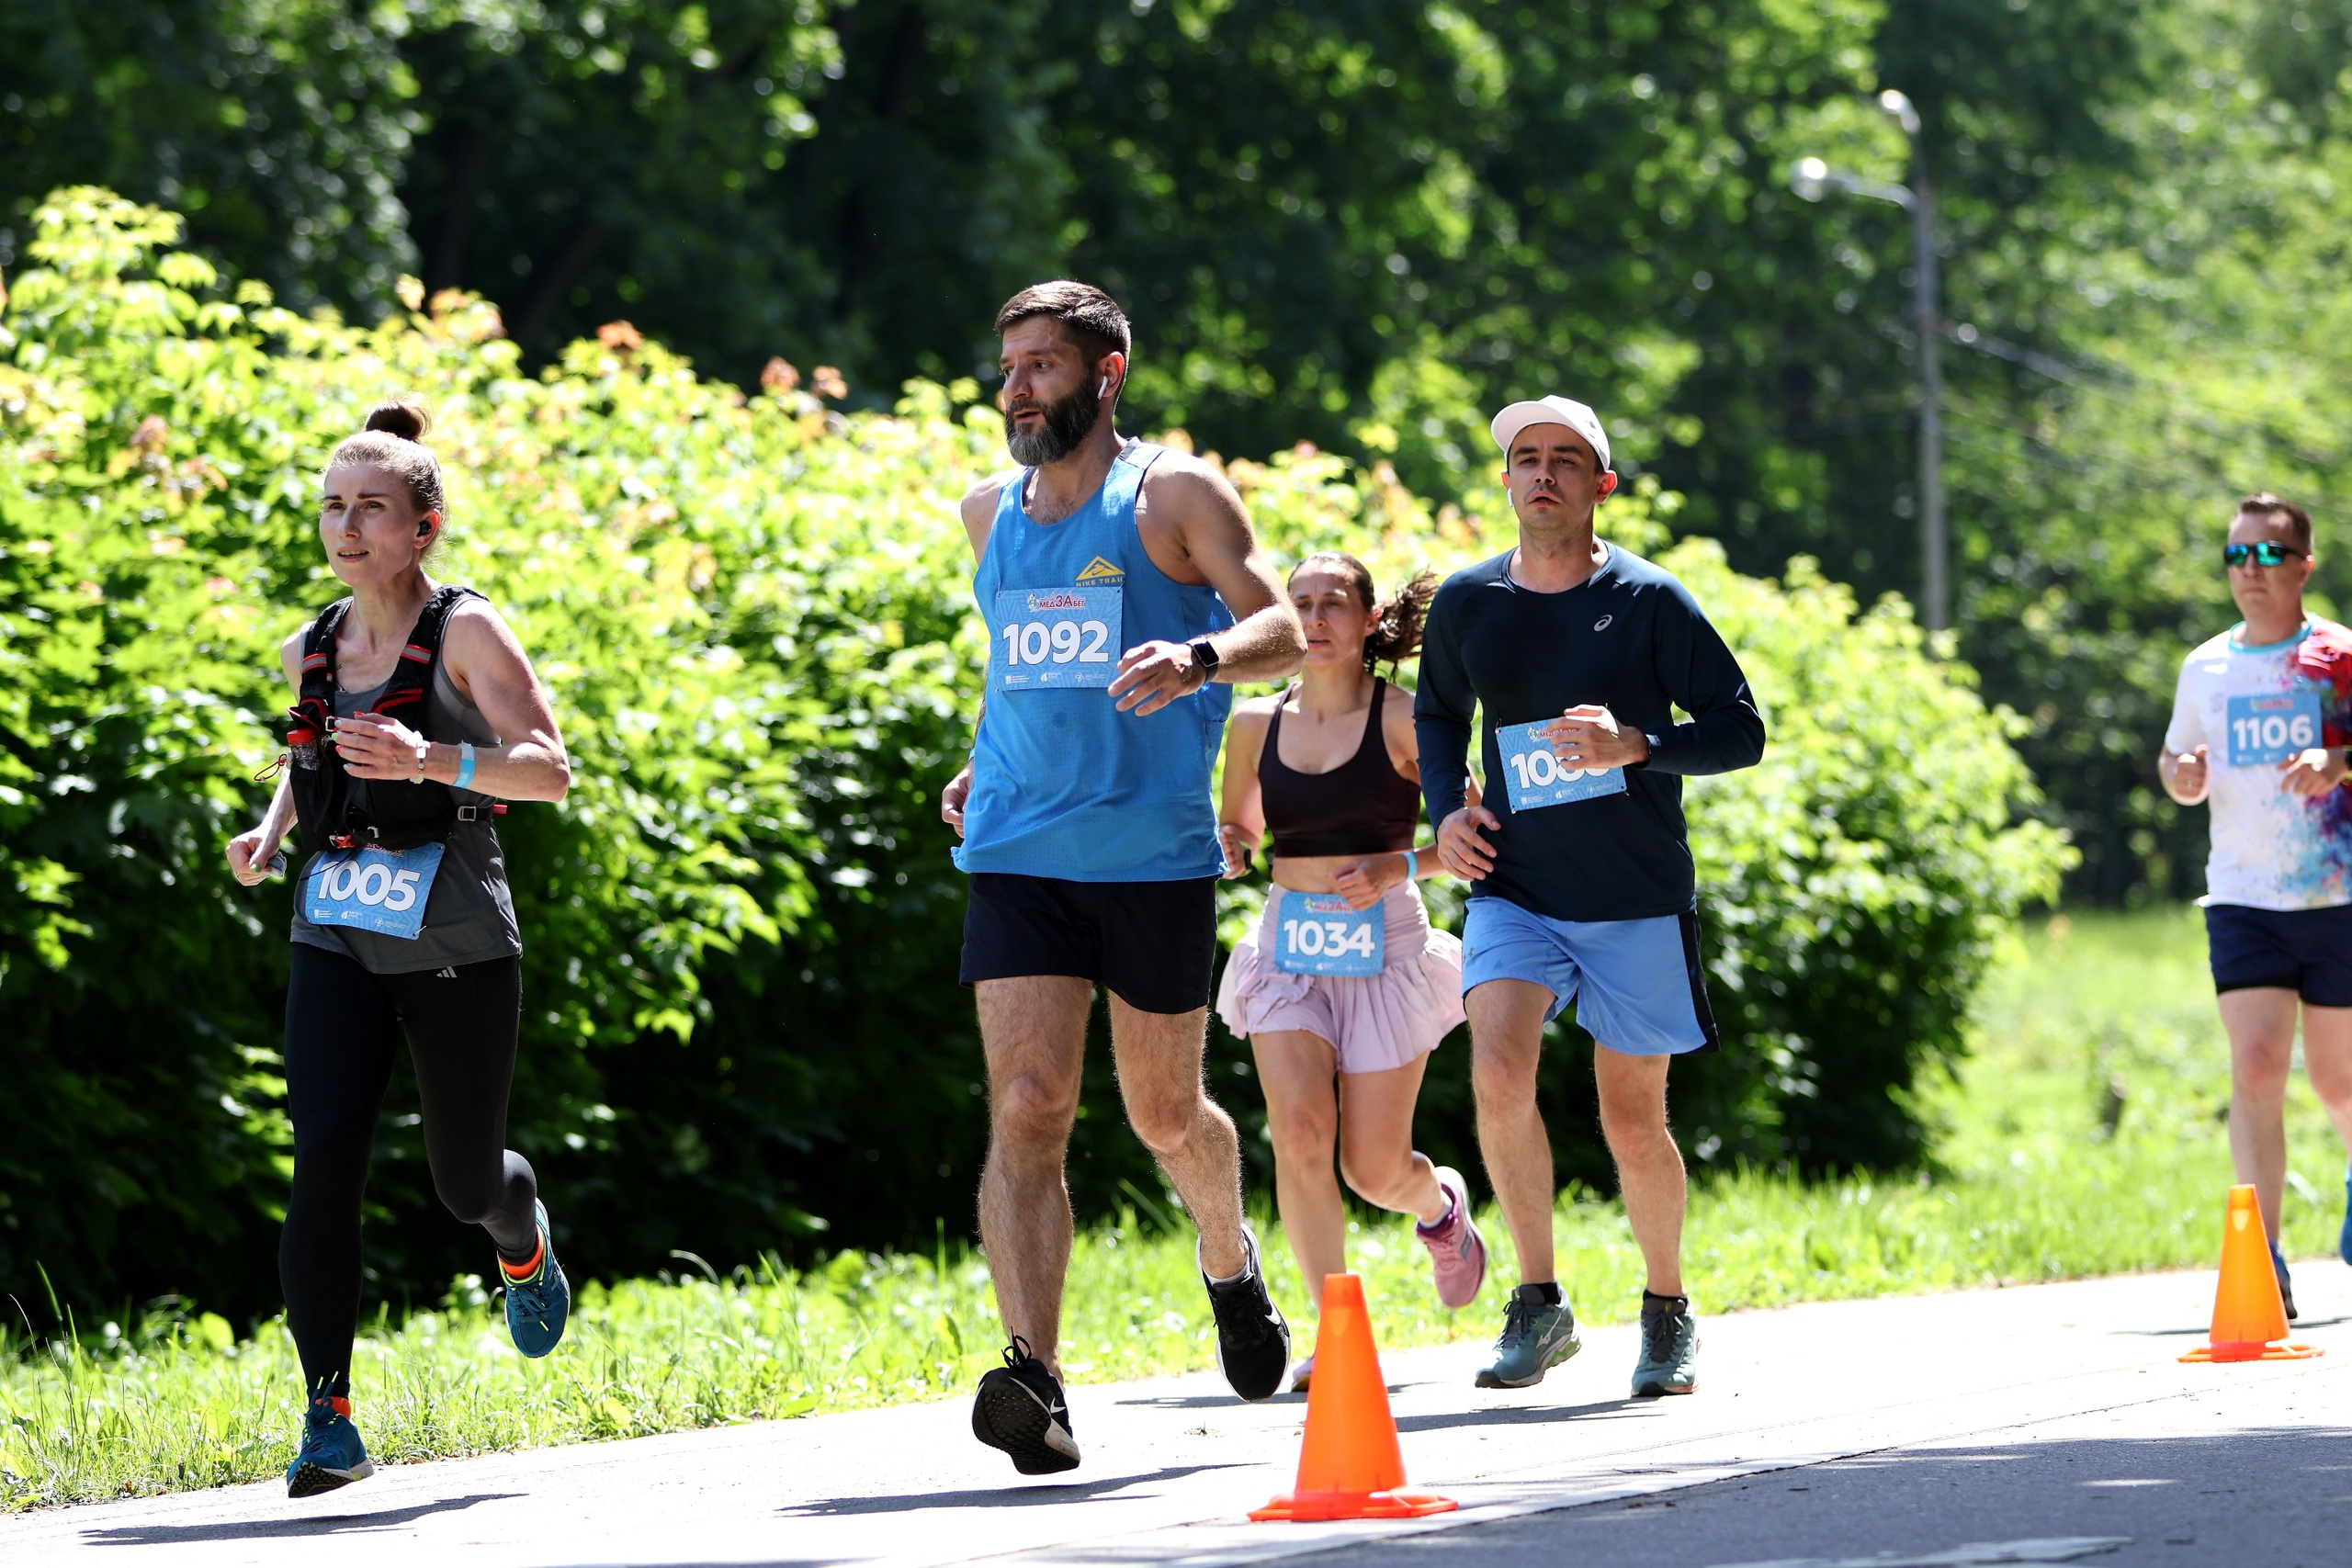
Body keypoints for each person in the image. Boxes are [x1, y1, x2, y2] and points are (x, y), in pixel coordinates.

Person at [938, 282, 1307, 1475]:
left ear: (1106, 376)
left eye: (1043, 365)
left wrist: (1202, 653)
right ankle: (1034, 1375)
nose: (1017, 388)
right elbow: (1030, 665)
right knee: (1029, 1102)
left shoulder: (1173, 495)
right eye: (1009, 366)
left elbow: (1285, 627)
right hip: (1017, 847)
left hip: (1149, 853)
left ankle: (1228, 1256)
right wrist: (980, 761)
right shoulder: (988, 510)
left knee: (1160, 1111)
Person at [226, 400, 575, 1498]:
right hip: (334, 922)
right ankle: (326, 1416)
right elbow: (310, 755)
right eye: (332, 506)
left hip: (456, 932)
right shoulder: (310, 647)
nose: (345, 527)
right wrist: (274, 828)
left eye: (370, 508)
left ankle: (519, 1232)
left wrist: (432, 760)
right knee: (322, 1155)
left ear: (422, 527)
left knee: (463, 1179)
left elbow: (548, 770)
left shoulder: (468, 633)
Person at [1416, 395, 1765, 1397]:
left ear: (1600, 485)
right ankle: (1539, 1300)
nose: (1543, 473)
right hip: (1514, 888)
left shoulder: (1652, 601)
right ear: (1505, 481)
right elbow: (1439, 713)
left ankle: (1665, 1310)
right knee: (1495, 1068)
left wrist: (1638, 745)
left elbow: (1740, 729)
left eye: (1566, 459)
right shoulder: (1470, 602)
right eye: (1525, 458)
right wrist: (1447, 811)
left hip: (1633, 894)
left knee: (1630, 1118)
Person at [1213, 553, 1484, 1391]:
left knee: (1372, 1168)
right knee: (1297, 1134)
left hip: (1385, 947)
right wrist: (1231, 844)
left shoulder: (1405, 718)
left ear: (1370, 622)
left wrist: (1400, 866)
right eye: (1302, 603)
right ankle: (1335, 1330)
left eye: (1336, 601)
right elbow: (1240, 825)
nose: (1318, 615)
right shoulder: (1255, 721)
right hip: (1289, 948)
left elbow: (1470, 837)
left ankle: (1438, 1207)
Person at [2158, 492, 2352, 1320]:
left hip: (2338, 892)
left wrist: (2339, 753)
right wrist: (2183, 776)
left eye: (2267, 556)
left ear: (2304, 565)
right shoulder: (2205, 665)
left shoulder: (2340, 658)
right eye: (2237, 556)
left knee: (2341, 1084)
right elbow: (2173, 761)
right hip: (2242, 894)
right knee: (2259, 1065)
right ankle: (2262, 1255)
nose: (2249, 572)